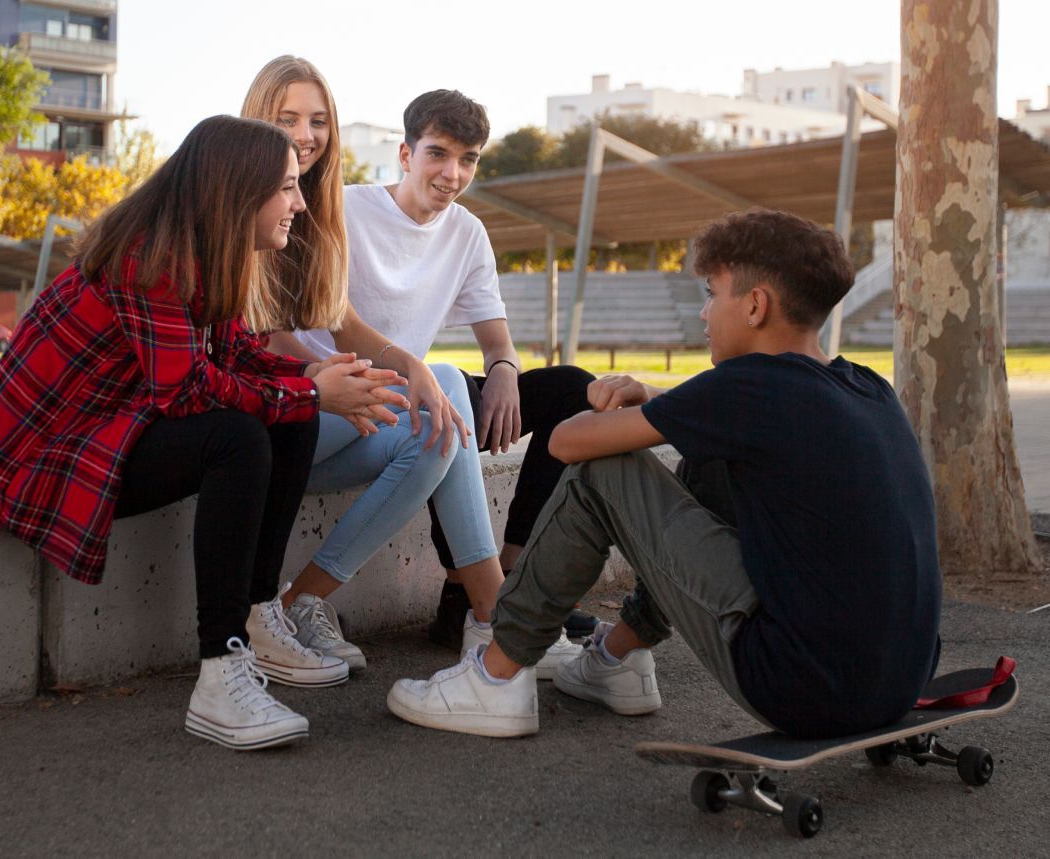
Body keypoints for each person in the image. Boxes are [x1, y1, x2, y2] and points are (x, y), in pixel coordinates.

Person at [387, 208, 943, 740]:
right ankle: (617, 660)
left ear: (755, 306)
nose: (704, 313)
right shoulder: (867, 387)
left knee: (602, 469)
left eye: (712, 294)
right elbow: (732, 417)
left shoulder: (749, 387)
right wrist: (654, 400)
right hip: (897, 681)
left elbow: (565, 442)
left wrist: (611, 408)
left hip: (801, 686)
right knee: (710, 457)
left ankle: (496, 675)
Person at [0, 116, 409, 750]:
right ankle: (221, 678)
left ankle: (257, 618)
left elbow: (236, 358)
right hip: (39, 466)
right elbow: (188, 391)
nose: (299, 203)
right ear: (237, 190)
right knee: (238, 437)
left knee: (292, 412)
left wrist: (316, 377)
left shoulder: (203, 251)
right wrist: (311, 388)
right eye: (285, 188)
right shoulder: (153, 257)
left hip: (103, 434)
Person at [240, 57, 584, 677]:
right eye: (438, 154)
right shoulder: (329, 208)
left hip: (370, 413)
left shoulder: (466, 233)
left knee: (465, 409)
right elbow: (278, 330)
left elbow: (492, 337)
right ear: (405, 154)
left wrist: (502, 366)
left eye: (468, 160)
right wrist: (394, 372)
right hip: (301, 415)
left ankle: (309, 599)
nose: (452, 174)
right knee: (444, 388)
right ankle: (494, 614)